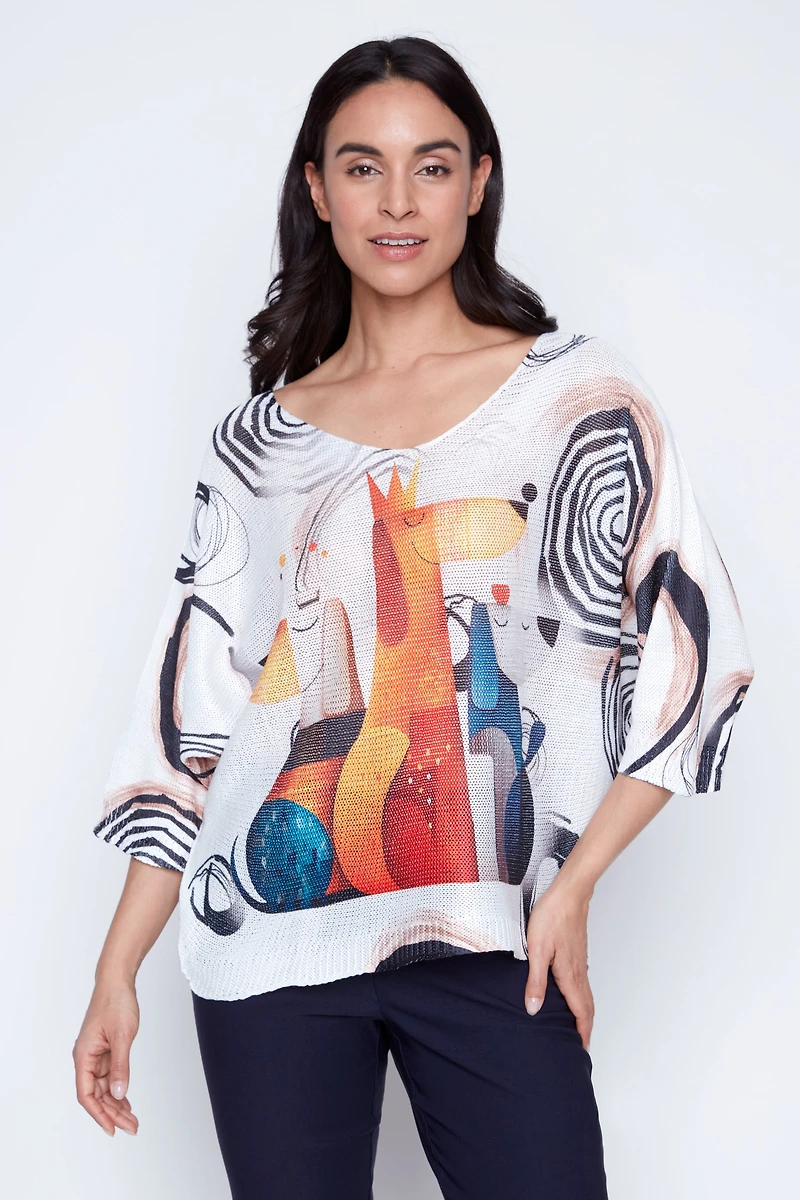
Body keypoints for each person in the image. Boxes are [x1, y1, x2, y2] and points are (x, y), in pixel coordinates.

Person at [73, 35, 756, 1200]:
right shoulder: (257, 444)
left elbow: (701, 659)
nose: (396, 201)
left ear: (477, 184)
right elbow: (197, 722)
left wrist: (574, 887)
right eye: (362, 167)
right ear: (316, 189)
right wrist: (116, 967)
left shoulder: (573, 396)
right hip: (268, 954)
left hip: (491, 936)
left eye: (430, 166)